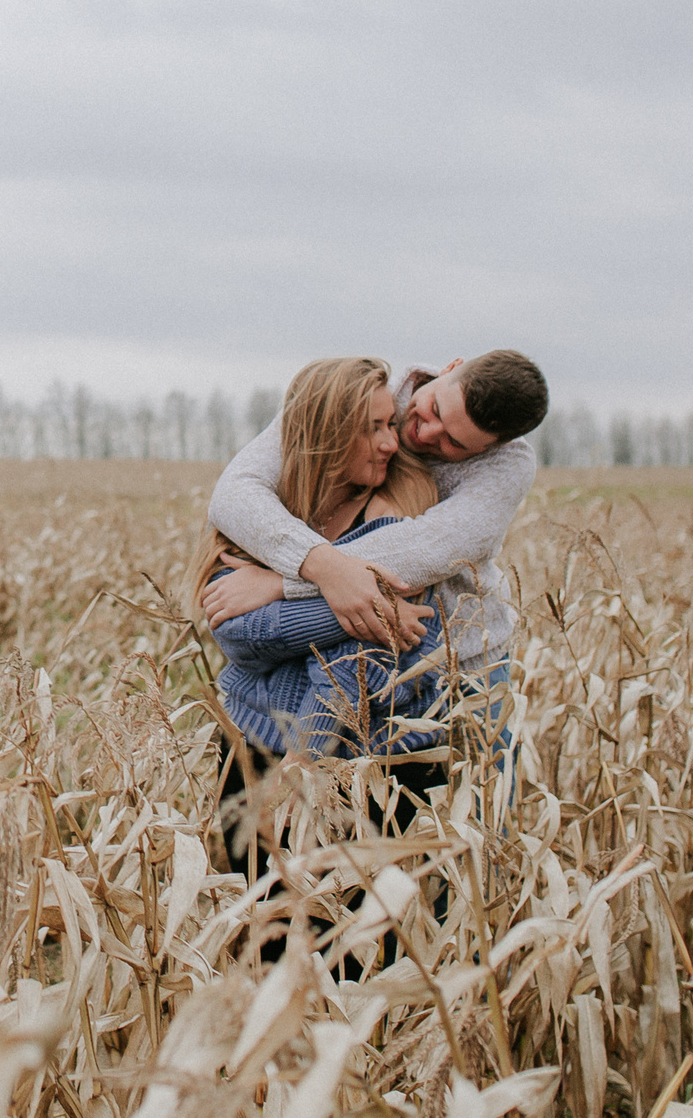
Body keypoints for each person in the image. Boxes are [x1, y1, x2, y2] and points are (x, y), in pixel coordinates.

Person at [201, 350, 547, 876]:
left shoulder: (505, 467)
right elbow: (235, 494)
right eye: (431, 410)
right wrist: (321, 570)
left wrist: (283, 580)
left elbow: (424, 555)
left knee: (474, 863)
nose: (424, 435)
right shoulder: (365, 396)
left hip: (462, 670)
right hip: (347, 684)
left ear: (493, 448)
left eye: (455, 443)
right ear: (447, 368)